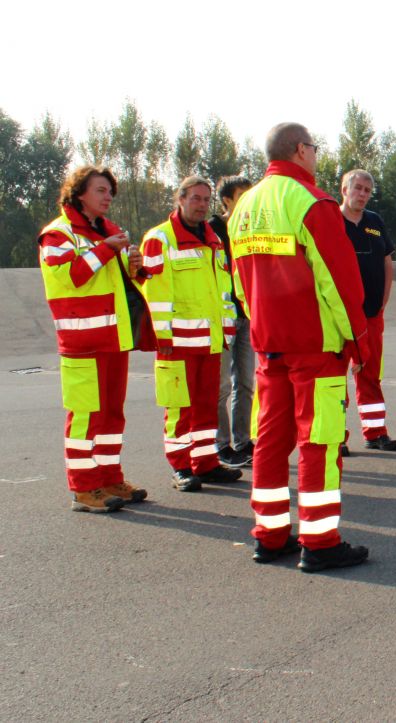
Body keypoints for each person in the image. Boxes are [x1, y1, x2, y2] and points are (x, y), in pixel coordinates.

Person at [227, 122, 372, 572]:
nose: (316, 154)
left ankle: (269, 536)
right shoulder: (311, 202)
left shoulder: (244, 206)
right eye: (314, 146)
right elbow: (339, 279)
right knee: (321, 441)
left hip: (270, 345)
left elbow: (240, 283)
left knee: (269, 440)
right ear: (300, 151)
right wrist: (358, 340)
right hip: (315, 346)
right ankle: (319, 539)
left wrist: (261, 329)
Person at [38, 166, 154, 512]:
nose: (107, 198)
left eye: (110, 192)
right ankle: (84, 489)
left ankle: (109, 478)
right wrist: (105, 249)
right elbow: (72, 276)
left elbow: (123, 283)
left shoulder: (109, 231)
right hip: (82, 342)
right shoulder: (57, 234)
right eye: (101, 190)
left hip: (114, 338)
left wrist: (135, 266)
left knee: (111, 416)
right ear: (79, 193)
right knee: (86, 415)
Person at [140, 176, 243, 492]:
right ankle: (181, 466)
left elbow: (224, 290)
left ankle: (205, 463)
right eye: (195, 198)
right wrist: (163, 338)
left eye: (205, 199)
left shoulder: (213, 238)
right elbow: (154, 294)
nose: (200, 205)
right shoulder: (161, 239)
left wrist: (226, 330)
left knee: (205, 406)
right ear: (180, 199)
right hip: (177, 344)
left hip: (210, 342)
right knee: (179, 409)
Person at [339, 169, 396, 453]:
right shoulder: (330, 220)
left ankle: (375, 432)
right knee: (334, 378)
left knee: (370, 374)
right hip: (338, 317)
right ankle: (335, 436)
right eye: (358, 188)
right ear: (344, 189)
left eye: (367, 190)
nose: (362, 194)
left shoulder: (375, 221)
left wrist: (383, 302)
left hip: (371, 315)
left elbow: (387, 263)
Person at [209, 175, 255, 469]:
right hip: (220, 319)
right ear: (227, 199)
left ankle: (243, 441)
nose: (248, 199)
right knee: (222, 386)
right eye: (243, 194)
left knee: (247, 383)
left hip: (247, 315)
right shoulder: (210, 231)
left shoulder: (250, 229)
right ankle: (221, 445)